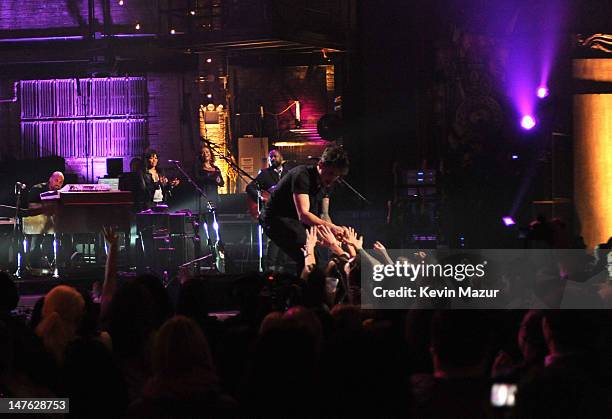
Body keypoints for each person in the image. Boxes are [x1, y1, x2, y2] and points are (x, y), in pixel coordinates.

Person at [261, 144, 349, 273]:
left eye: (337, 175)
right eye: (330, 173)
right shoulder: (302, 175)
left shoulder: (327, 183)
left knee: (316, 256)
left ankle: (306, 286)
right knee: (308, 255)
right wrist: (333, 228)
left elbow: (324, 215)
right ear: (320, 164)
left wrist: (332, 235)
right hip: (275, 219)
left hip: (295, 220)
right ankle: (304, 288)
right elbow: (304, 214)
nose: (332, 178)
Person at [246, 149, 289, 272]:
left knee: (285, 239)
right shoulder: (265, 174)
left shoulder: (288, 174)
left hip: (286, 212)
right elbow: (249, 187)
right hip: (271, 212)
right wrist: (260, 197)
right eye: (270, 157)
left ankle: (281, 268)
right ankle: (270, 269)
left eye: (274, 156)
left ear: (281, 157)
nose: (272, 159)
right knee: (275, 239)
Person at [194, 142, 224, 210]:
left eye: (207, 152)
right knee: (205, 216)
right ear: (200, 155)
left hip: (214, 196)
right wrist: (212, 178)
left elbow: (222, 183)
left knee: (214, 216)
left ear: (210, 154)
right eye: (203, 152)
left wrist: (218, 180)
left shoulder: (216, 168)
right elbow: (198, 179)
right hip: (203, 196)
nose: (205, 154)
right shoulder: (199, 168)